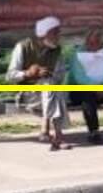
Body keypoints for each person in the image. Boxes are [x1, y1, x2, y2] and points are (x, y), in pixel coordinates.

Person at [6, 15, 71, 150]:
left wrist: (48, 75)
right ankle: (56, 133)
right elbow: (10, 76)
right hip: (28, 95)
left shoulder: (56, 50)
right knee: (50, 88)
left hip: (50, 93)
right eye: (55, 33)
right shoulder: (23, 47)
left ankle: (47, 131)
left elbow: (60, 76)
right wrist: (28, 74)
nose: (58, 36)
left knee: (50, 85)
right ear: (44, 34)